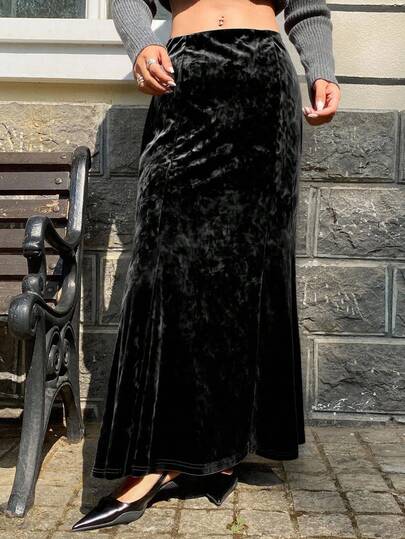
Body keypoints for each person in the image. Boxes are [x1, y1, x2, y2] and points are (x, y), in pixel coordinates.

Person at [72, 0, 341, 531]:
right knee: (164, 270)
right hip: (184, 82)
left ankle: (221, 449)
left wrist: (322, 70)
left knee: (248, 271)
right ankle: (153, 459)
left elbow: (308, 7)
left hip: (263, 87)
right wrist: (141, 45)